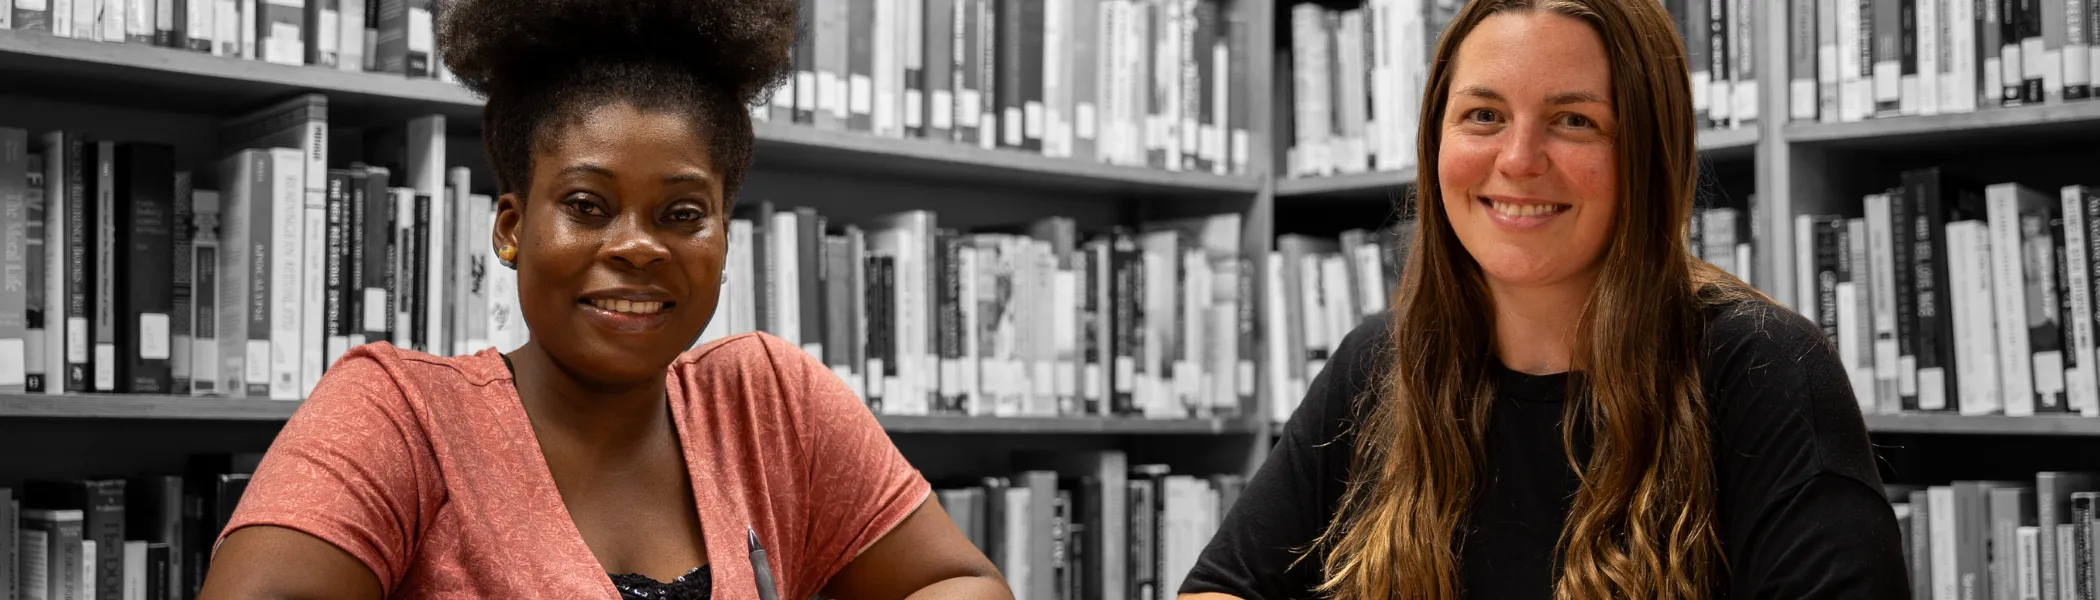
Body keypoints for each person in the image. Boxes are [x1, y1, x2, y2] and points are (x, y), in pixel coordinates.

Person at [197, 1, 1012, 598]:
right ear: (512, 226)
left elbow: (958, 584)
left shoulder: (772, 401)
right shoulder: (400, 416)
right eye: (587, 205)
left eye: (682, 214)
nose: (637, 245)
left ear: (726, 241)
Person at [1179, 1, 1907, 599]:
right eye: (1484, 115)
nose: (1519, 160)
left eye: (1574, 121)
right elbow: (1222, 587)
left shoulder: (1764, 370)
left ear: (1647, 158)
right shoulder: (1381, 361)